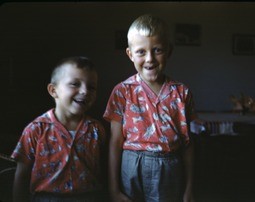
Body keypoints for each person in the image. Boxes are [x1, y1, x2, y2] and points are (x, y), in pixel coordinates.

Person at [103, 14, 196, 202]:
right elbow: (115, 142)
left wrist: (189, 189)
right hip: (130, 166)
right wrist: (113, 190)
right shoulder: (122, 91)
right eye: (141, 52)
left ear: (169, 51)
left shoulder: (181, 93)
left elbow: (188, 144)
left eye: (157, 50)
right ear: (130, 54)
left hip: (169, 167)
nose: (150, 59)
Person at [11, 56, 106, 202]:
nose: (85, 91)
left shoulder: (96, 129)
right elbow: (22, 174)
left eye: (91, 87)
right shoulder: (36, 129)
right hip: (46, 197)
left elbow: (104, 171)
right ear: (53, 90)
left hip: (89, 197)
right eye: (75, 84)